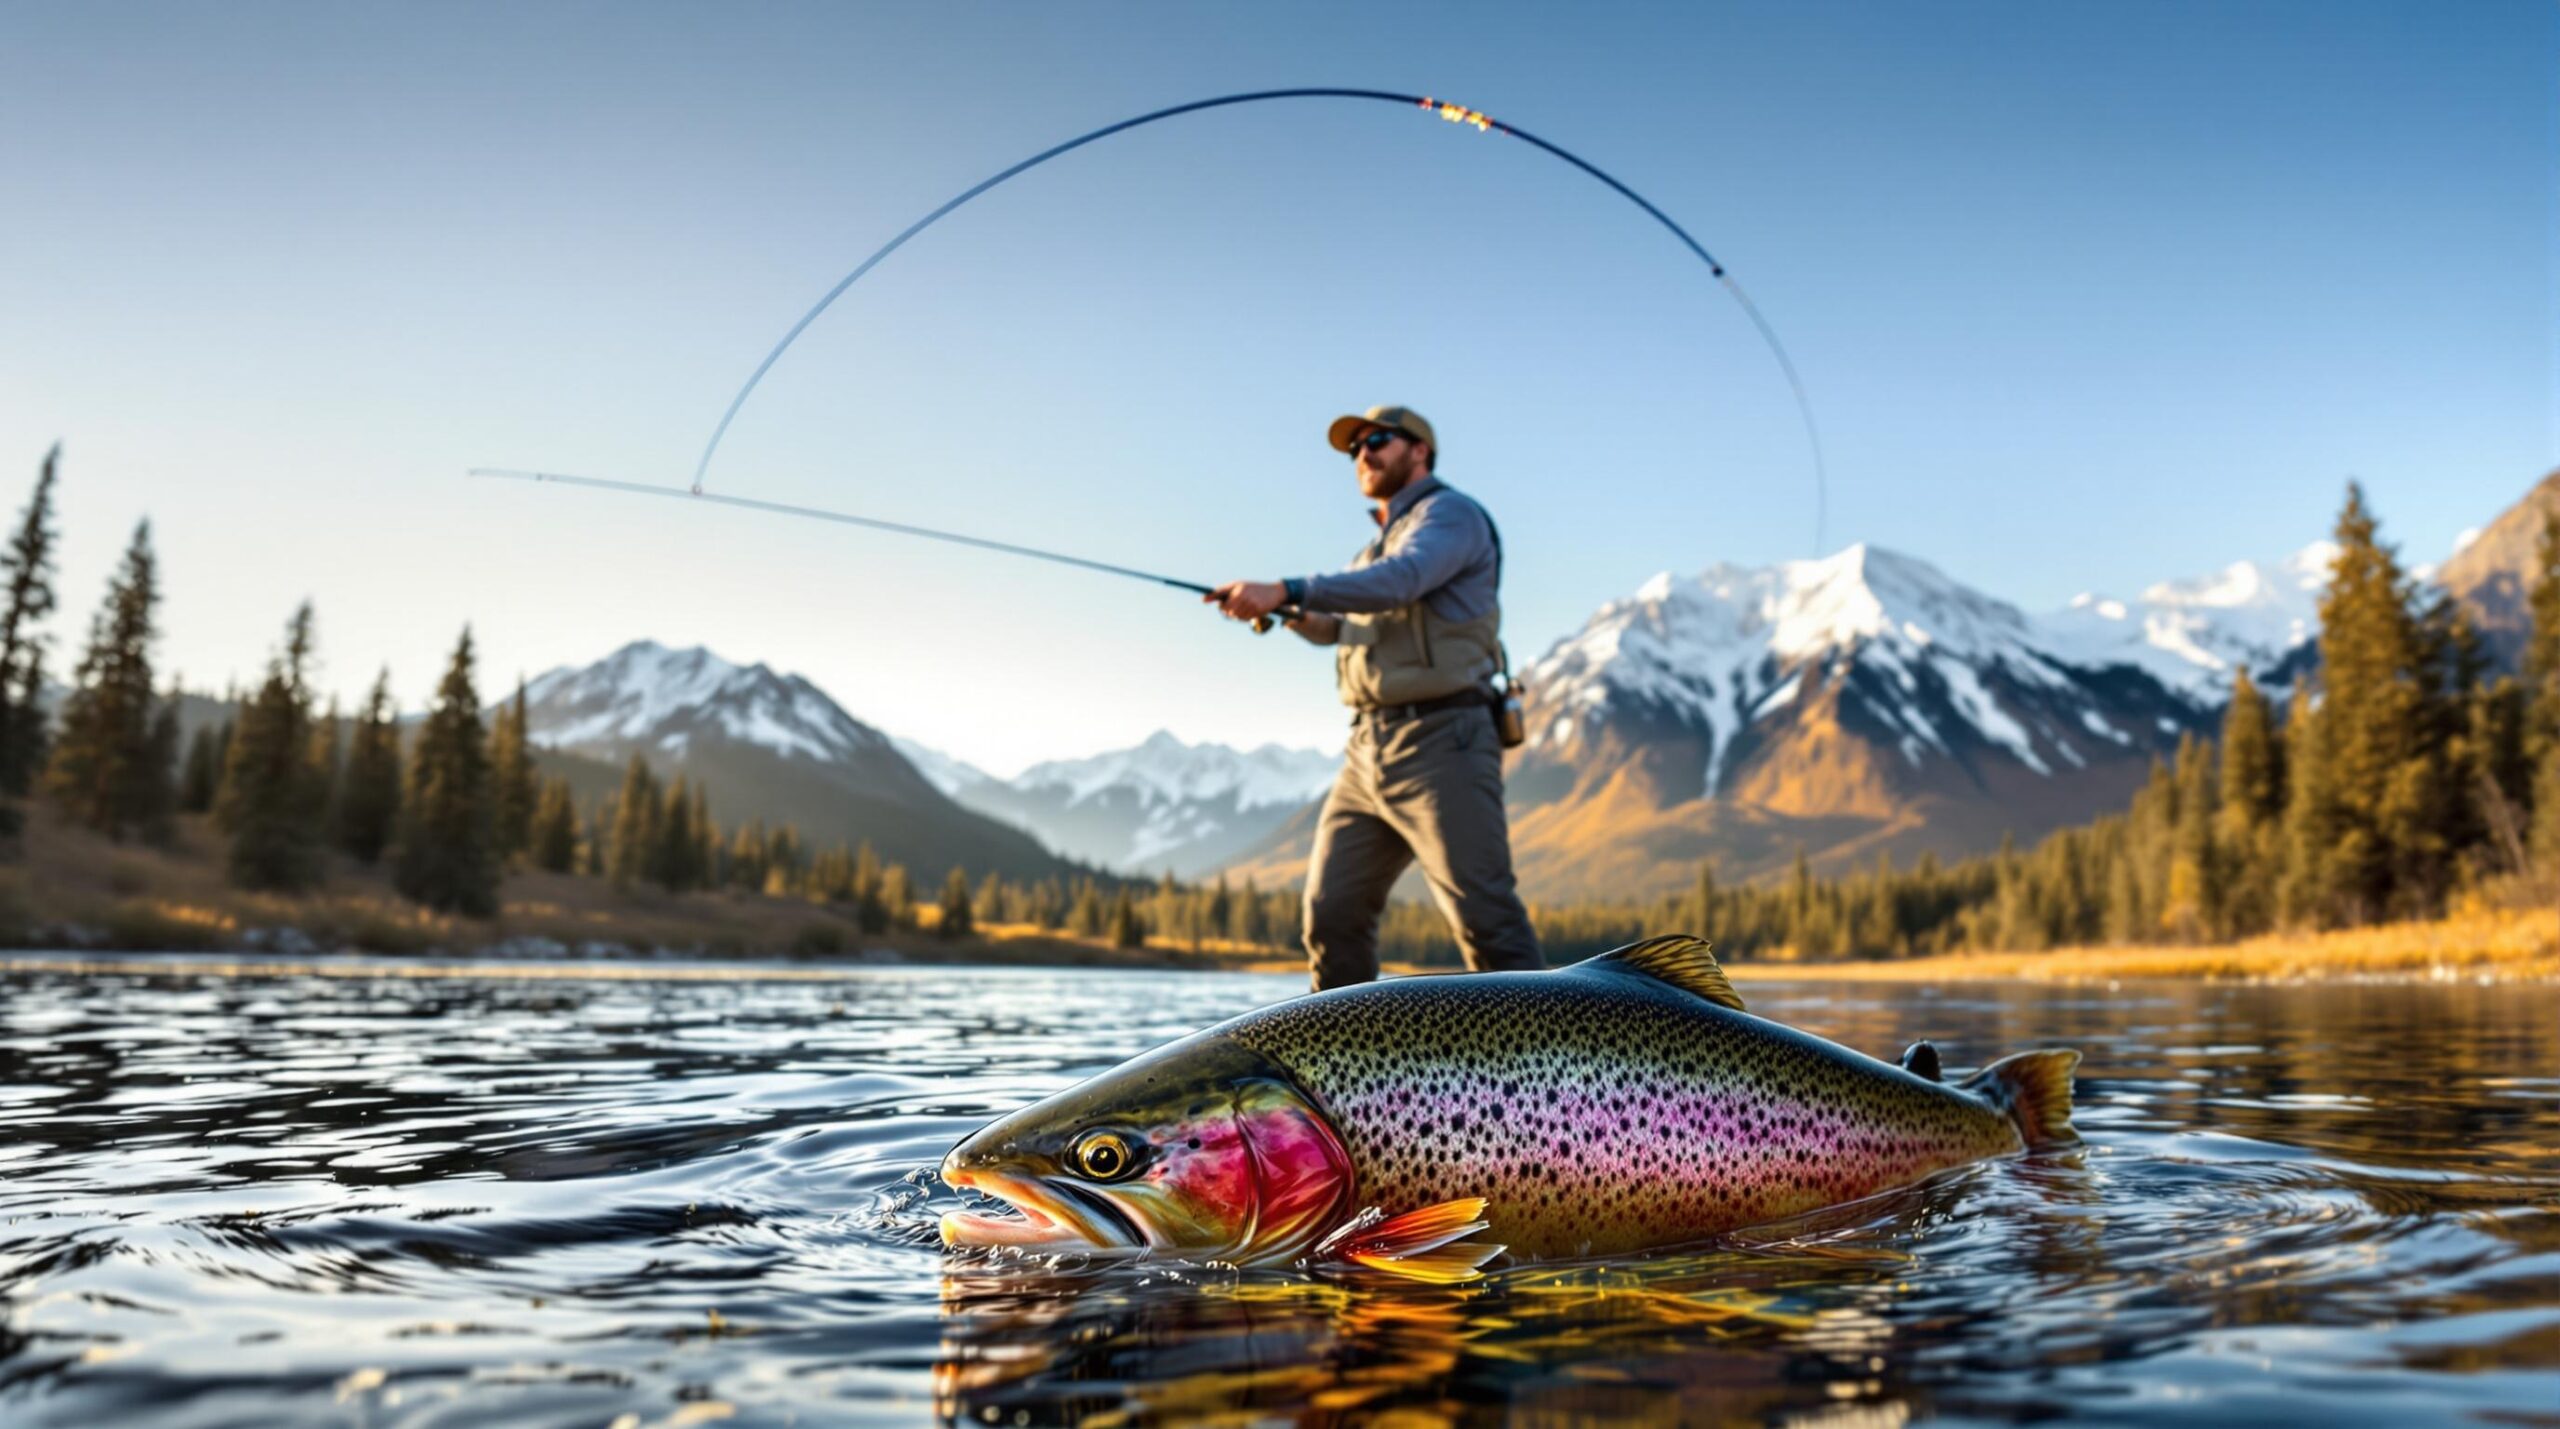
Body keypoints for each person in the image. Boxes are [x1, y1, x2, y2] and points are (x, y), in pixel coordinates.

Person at [1209, 404, 1544, 989]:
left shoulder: (1451, 517)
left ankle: (1558, 1068)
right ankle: (1342, 1070)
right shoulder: (1371, 552)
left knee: (1486, 922)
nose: (1363, 453)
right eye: (1355, 446)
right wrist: (1287, 610)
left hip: (1445, 743)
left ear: (1420, 451)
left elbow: (1402, 580)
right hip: (1365, 755)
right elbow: (1338, 625)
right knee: (1331, 916)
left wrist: (1287, 587)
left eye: (1378, 440)